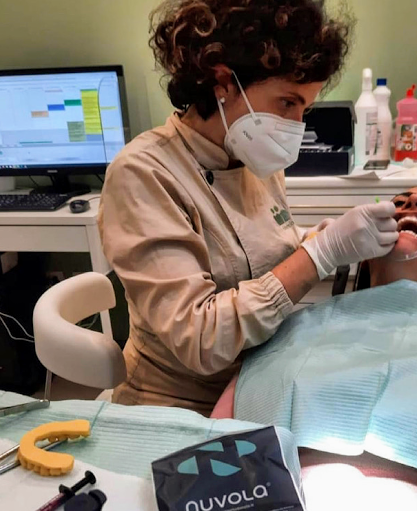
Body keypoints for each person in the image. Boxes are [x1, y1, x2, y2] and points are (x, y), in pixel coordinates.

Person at [98, 0, 399, 415]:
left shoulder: (250, 155)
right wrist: (319, 255)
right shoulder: (143, 173)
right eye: (287, 103)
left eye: (305, 109)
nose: (297, 126)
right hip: (177, 405)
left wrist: (315, 240)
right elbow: (200, 339)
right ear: (223, 81)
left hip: (257, 380)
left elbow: (255, 254)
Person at [213, 187, 417, 510]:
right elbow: (218, 445)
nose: (412, 204)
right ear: (366, 251)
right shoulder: (298, 325)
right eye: (399, 203)